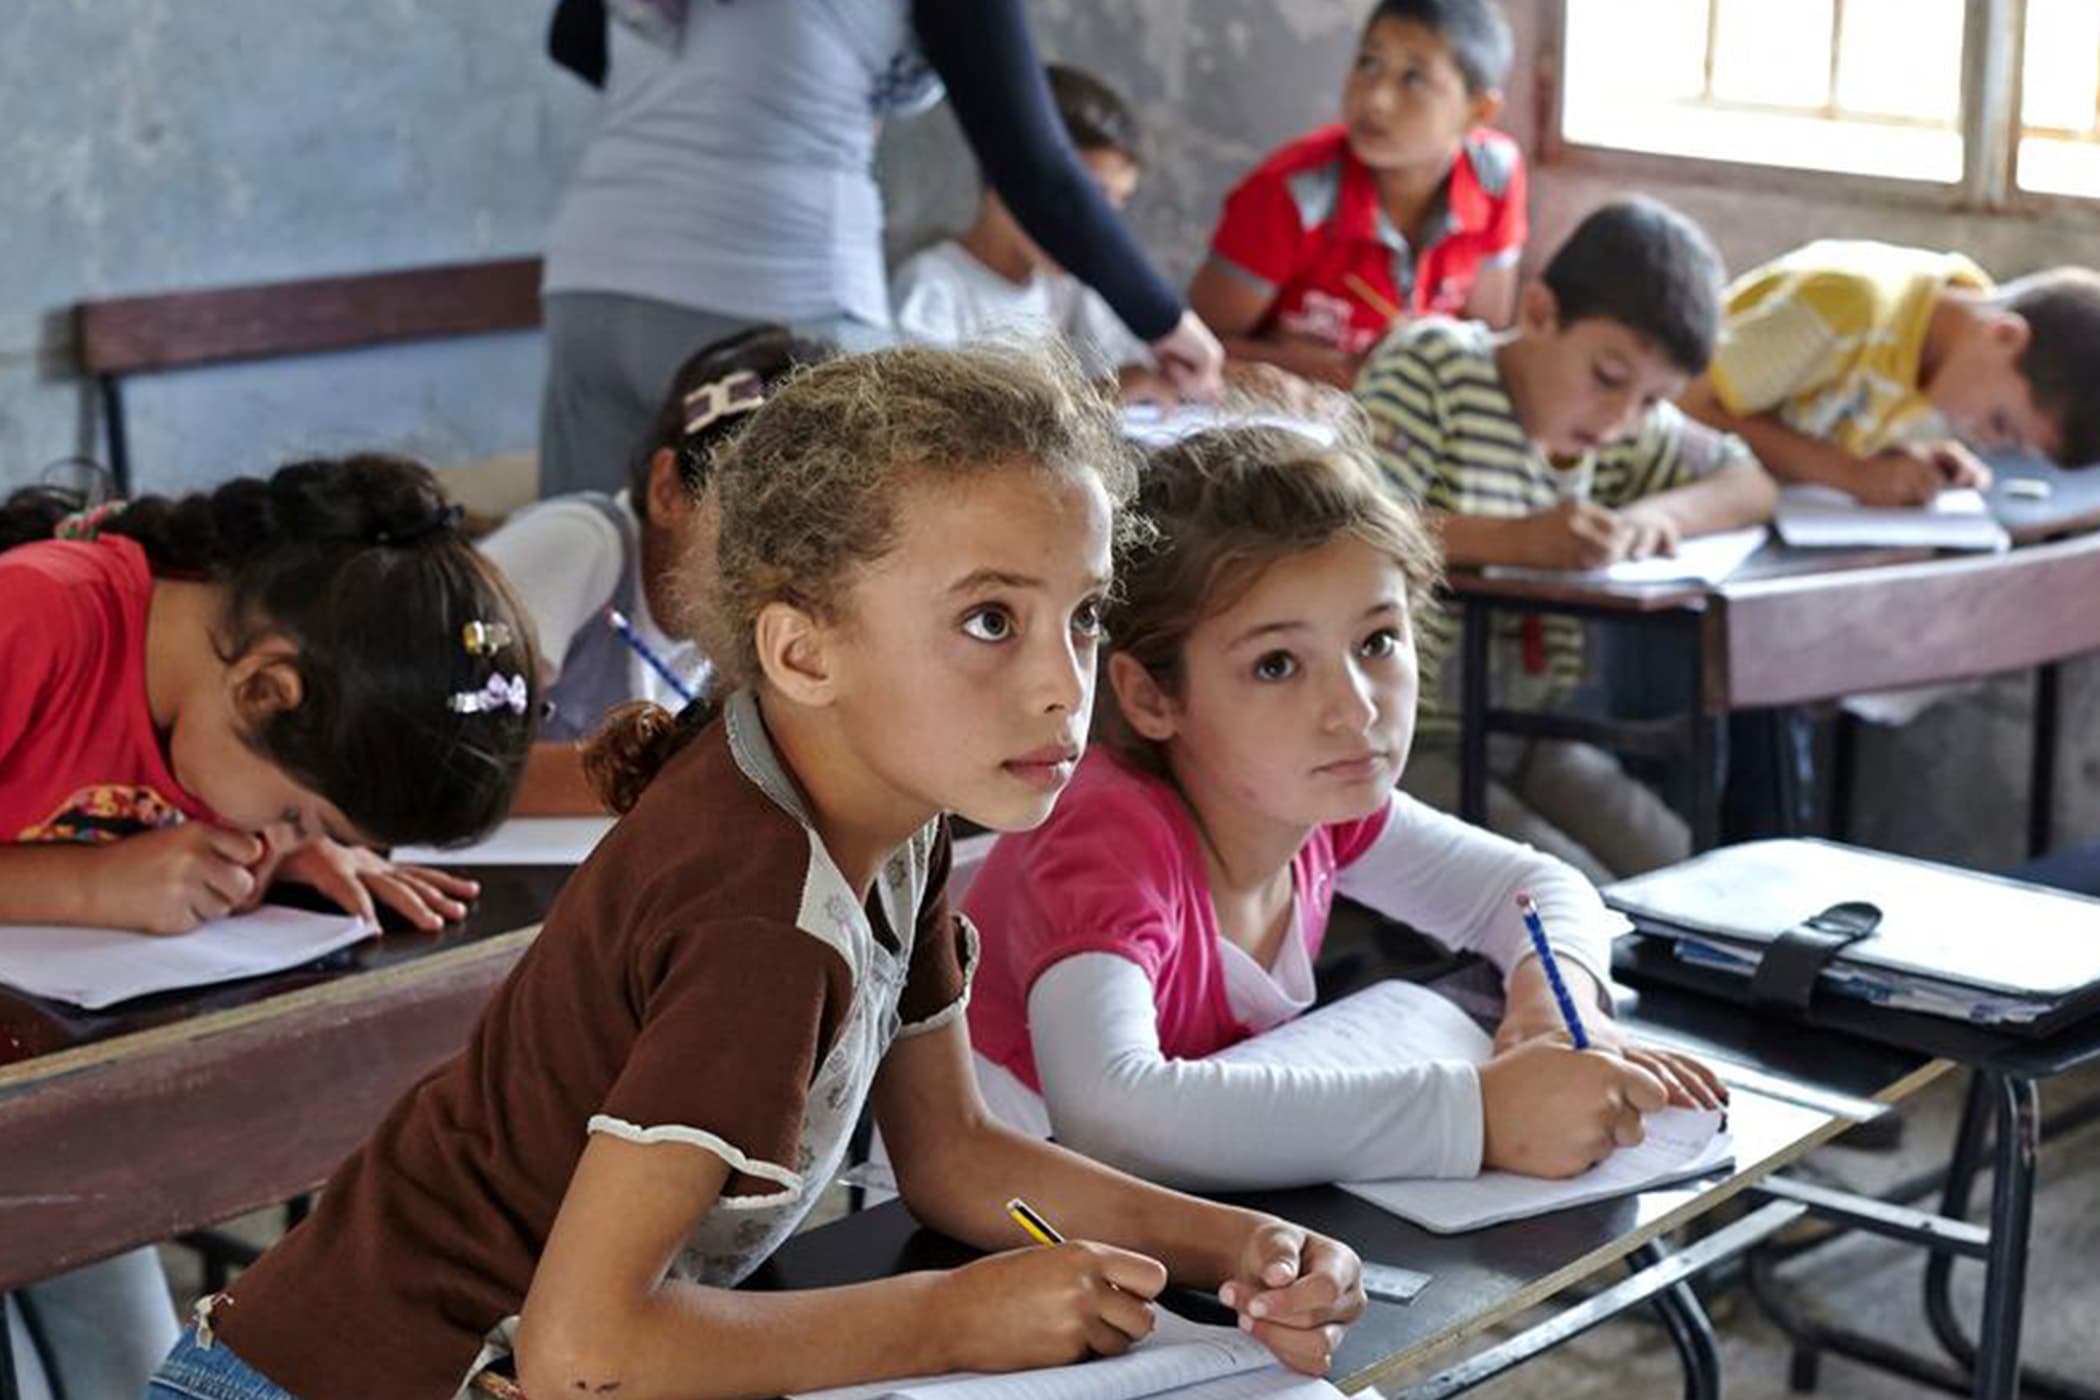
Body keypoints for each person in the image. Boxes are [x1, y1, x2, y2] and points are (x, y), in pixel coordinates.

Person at [144, 345, 1364, 1400]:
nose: (1063, 680)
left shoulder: (893, 812)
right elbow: (588, 1353)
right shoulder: (763, 920)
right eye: (992, 619)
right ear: (801, 649)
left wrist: (1239, 1242)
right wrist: (954, 1316)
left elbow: (953, 1155)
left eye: (1085, 614)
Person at [961, 417, 1722, 1191]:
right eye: (1278, 665)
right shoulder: (1108, 838)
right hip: (1005, 1216)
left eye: (1378, 642)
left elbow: (1529, 889)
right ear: (1152, 696)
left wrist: (1558, 1014)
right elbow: (1112, 1114)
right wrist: (1479, 1116)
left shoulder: (1320, 800)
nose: (1354, 710)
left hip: (1161, 1201)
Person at [0, 455, 538, 1400]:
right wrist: (87, 887)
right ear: (268, 689)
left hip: (40, 1130)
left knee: (135, 1374)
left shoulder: (217, 702)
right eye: (300, 815)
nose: (276, 837)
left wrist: (288, 853)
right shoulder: (36, 618)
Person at [537, 0, 1225, 498]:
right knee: (820, 588)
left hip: (593, 271)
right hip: (780, 282)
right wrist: (1169, 323)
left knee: (601, 558)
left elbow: (573, 38)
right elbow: (1037, 172)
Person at [1356, 197, 1776, 880]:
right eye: (1608, 379)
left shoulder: (1611, 435)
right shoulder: (1432, 364)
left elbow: (1747, 483)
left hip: (1532, 734)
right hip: (1404, 744)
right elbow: (1354, 527)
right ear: (1540, 314)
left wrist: (1653, 519)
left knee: (1689, 876)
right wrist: (1517, 542)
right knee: (1580, 897)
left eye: (1650, 401)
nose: (1621, 418)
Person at [487, 325, 829, 813]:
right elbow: (456, 767)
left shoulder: (746, 621)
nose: (782, 555)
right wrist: (694, 777)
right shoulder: (579, 545)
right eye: (749, 516)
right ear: (667, 490)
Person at [1188, 0, 1525, 390]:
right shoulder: (1290, 195)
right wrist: (1345, 369)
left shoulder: (1496, 176)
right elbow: (1193, 353)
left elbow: (1484, 342)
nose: (1375, 99)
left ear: (1478, 111)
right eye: (1368, 63)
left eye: (1413, 78)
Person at [1681, 241, 2100, 504]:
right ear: (2004, 336)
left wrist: (1898, 454)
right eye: (2000, 423)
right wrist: (1849, 473)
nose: (1987, 443)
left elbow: (1829, 418)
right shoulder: (1848, 307)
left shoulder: (1947, 363)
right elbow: (1684, 401)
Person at [892, 64, 1168, 400]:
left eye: (1114, 206)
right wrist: (1111, 392)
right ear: (1013, 175)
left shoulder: (1067, 288)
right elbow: (927, 419)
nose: (1101, 230)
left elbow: (1138, 363)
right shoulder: (932, 287)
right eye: (1089, 199)